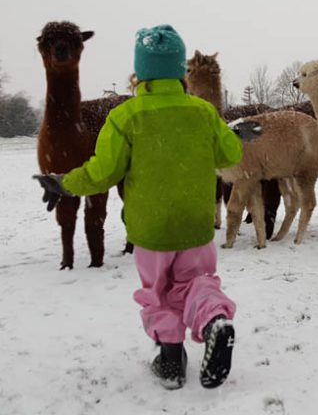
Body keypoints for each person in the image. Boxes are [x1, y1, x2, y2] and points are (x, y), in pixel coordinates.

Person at [34, 24, 259, 390]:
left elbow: (103, 173)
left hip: (151, 233)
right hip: (196, 228)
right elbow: (229, 154)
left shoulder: (126, 116)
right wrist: (231, 134)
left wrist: (64, 183)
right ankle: (214, 320)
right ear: (179, 72)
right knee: (197, 282)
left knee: (158, 294)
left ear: (140, 72)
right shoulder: (202, 113)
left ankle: (170, 362)